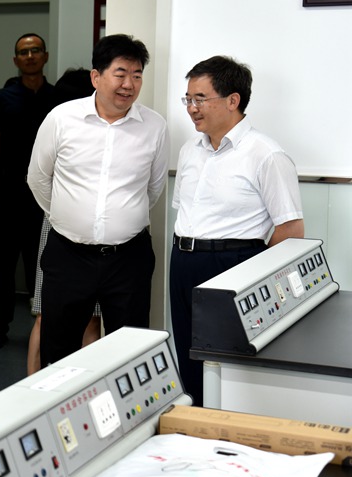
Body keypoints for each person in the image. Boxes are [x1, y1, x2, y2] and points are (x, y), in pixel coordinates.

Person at [27, 34, 168, 367]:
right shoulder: (62, 118)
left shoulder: (154, 126)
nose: (129, 84)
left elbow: (154, 187)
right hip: (68, 256)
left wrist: (119, 219)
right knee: (58, 351)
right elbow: (38, 178)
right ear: (96, 76)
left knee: (130, 353)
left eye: (137, 75)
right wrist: (69, 216)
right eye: (120, 74)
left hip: (128, 259)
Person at [171, 55, 303, 405]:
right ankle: (194, 423)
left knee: (230, 364)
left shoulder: (266, 154)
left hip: (234, 264)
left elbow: (291, 229)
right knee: (189, 353)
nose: (192, 108)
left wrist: (254, 274)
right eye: (188, 99)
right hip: (183, 260)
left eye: (201, 99)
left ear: (233, 100)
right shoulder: (189, 151)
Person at [0, 33, 59, 349]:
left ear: (45, 56)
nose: (30, 56)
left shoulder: (58, 98)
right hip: (8, 191)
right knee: (3, 260)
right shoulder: (3, 97)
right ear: (16, 60)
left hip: (47, 194)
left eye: (35, 50)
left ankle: (44, 326)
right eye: (23, 52)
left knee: (41, 260)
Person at [25, 68, 104, 374]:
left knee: (46, 316)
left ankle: (33, 391)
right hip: (63, 229)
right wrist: (59, 212)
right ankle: (84, 390)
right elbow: (37, 179)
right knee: (74, 319)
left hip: (64, 225)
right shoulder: (64, 126)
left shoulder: (57, 123)